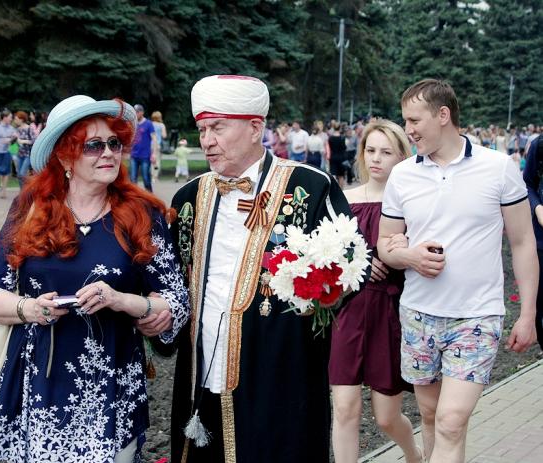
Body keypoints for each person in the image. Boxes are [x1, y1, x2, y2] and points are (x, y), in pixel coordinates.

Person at [0, 95, 190, 462]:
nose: (107, 153)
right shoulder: (31, 208)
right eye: (92, 145)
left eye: (114, 143)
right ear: (64, 156)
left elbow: (176, 302)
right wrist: (31, 308)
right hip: (34, 386)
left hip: (111, 389)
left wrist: (121, 300)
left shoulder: (141, 215)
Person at [159, 75, 363, 463]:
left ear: (255, 128)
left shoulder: (308, 186)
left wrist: (317, 295)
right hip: (200, 376)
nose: (207, 140)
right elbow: (170, 281)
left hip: (280, 373)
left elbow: (353, 263)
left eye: (218, 127)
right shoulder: (188, 197)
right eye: (202, 129)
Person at [377, 79, 538, 463]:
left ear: (443, 115)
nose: (408, 129)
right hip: (418, 314)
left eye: (414, 120)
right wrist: (410, 257)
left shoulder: (498, 168)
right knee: (432, 418)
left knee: (450, 420)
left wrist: (528, 314)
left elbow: (522, 242)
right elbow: (386, 243)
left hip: (476, 316)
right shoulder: (403, 175)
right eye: (405, 120)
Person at [329, 120, 422, 463]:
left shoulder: (411, 204)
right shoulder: (344, 199)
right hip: (349, 311)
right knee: (344, 409)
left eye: (386, 152)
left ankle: (414, 454)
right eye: (370, 151)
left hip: (389, 311)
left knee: (385, 415)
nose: (376, 159)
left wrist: (402, 249)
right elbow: (327, 253)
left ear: (402, 156)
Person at [522, 135, 543, 350]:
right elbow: (527, 184)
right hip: (540, 242)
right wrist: (537, 208)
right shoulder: (539, 145)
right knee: (537, 310)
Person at [129, 104, 157, 191]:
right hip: (134, 155)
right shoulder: (132, 124)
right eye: (134, 112)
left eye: (137, 112)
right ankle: (134, 198)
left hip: (145, 155)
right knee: (133, 179)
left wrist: (154, 154)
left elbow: (154, 139)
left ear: (142, 112)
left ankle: (150, 196)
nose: (135, 114)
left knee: (146, 178)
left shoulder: (148, 124)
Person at [13, 111, 35, 188]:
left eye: (16, 119)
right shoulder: (17, 129)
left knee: (22, 174)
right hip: (19, 154)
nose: (15, 120)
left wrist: (23, 141)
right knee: (19, 174)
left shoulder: (29, 128)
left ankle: (25, 191)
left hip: (27, 155)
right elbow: (15, 143)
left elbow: (34, 140)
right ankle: (22, 191)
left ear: (21, 119)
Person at [151, 111, 167, 181]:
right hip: (157, 145)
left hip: (149, 145)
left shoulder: (150, 124)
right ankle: (155, 177)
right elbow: (164, 136)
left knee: (152, 161)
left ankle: (152, 176)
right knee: (157, 161)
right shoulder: (161, 125)